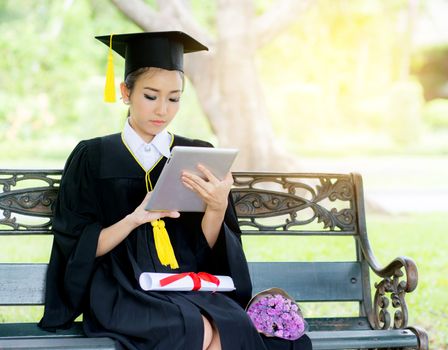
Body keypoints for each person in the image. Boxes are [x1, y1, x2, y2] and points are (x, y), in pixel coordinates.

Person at [38, 31, 312, 350]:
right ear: (125, 92)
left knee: (230, 326)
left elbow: (208, 249)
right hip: (121, 288)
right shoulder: (93, 157)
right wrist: (134, 219)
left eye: (174, 98)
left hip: (188, 283)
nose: (163, 110)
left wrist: (216, 207)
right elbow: (78, 247)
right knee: (196, 331)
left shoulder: (196, 155)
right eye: (151, 96)